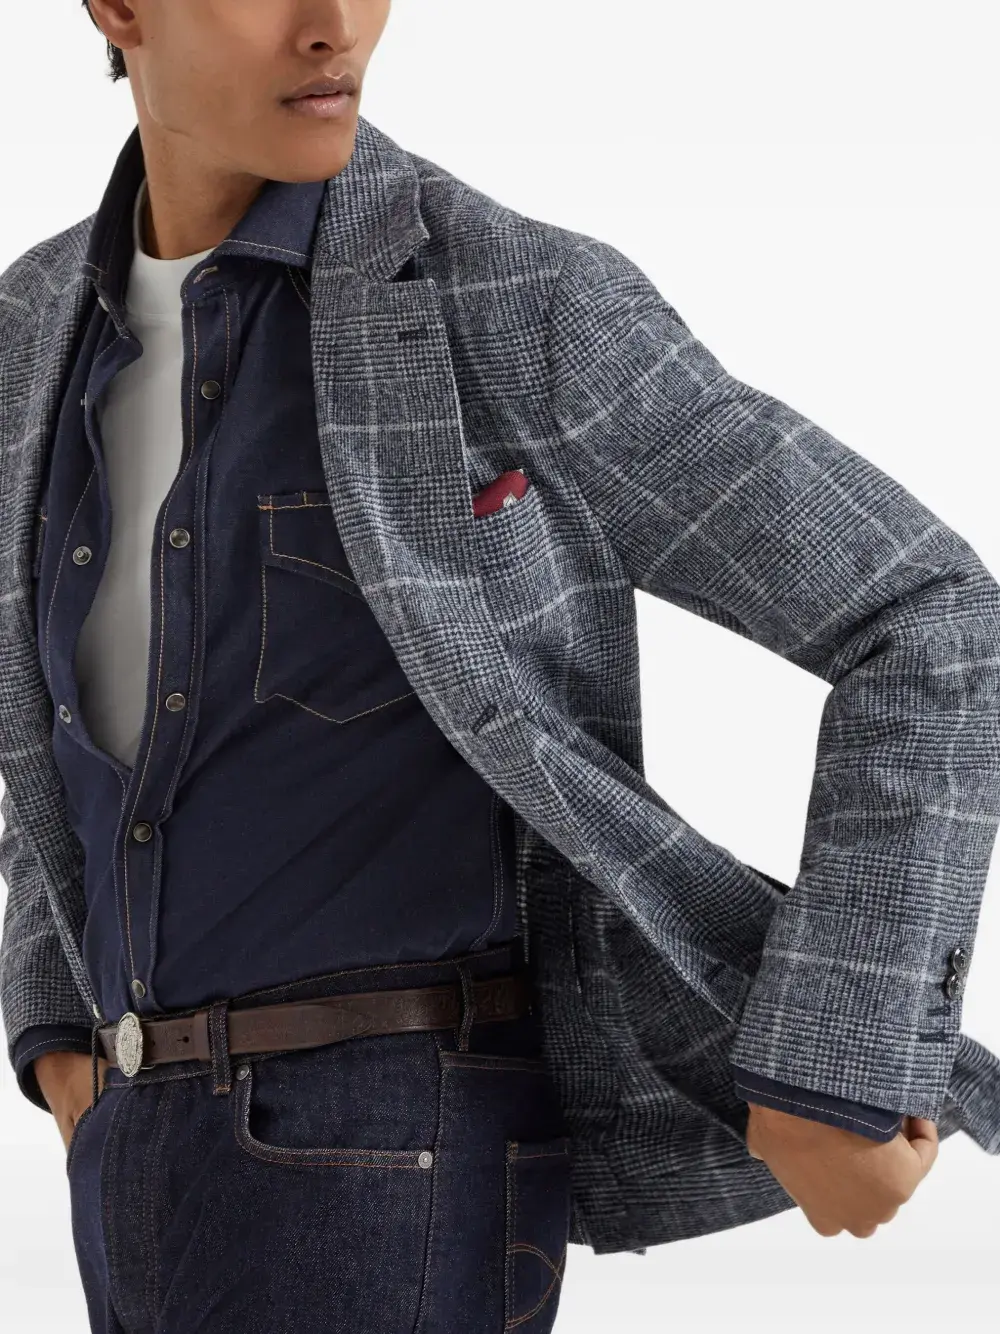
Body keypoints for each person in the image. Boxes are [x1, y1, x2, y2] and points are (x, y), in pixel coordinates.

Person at [2, 2, 999, 1330]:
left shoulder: (504, 297)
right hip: (131, 1154)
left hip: (392, 1152)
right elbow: (56, 728)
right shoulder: (30, 327)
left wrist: (839, 1057)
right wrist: (56, 1028)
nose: (333, 27)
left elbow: (926, 612)